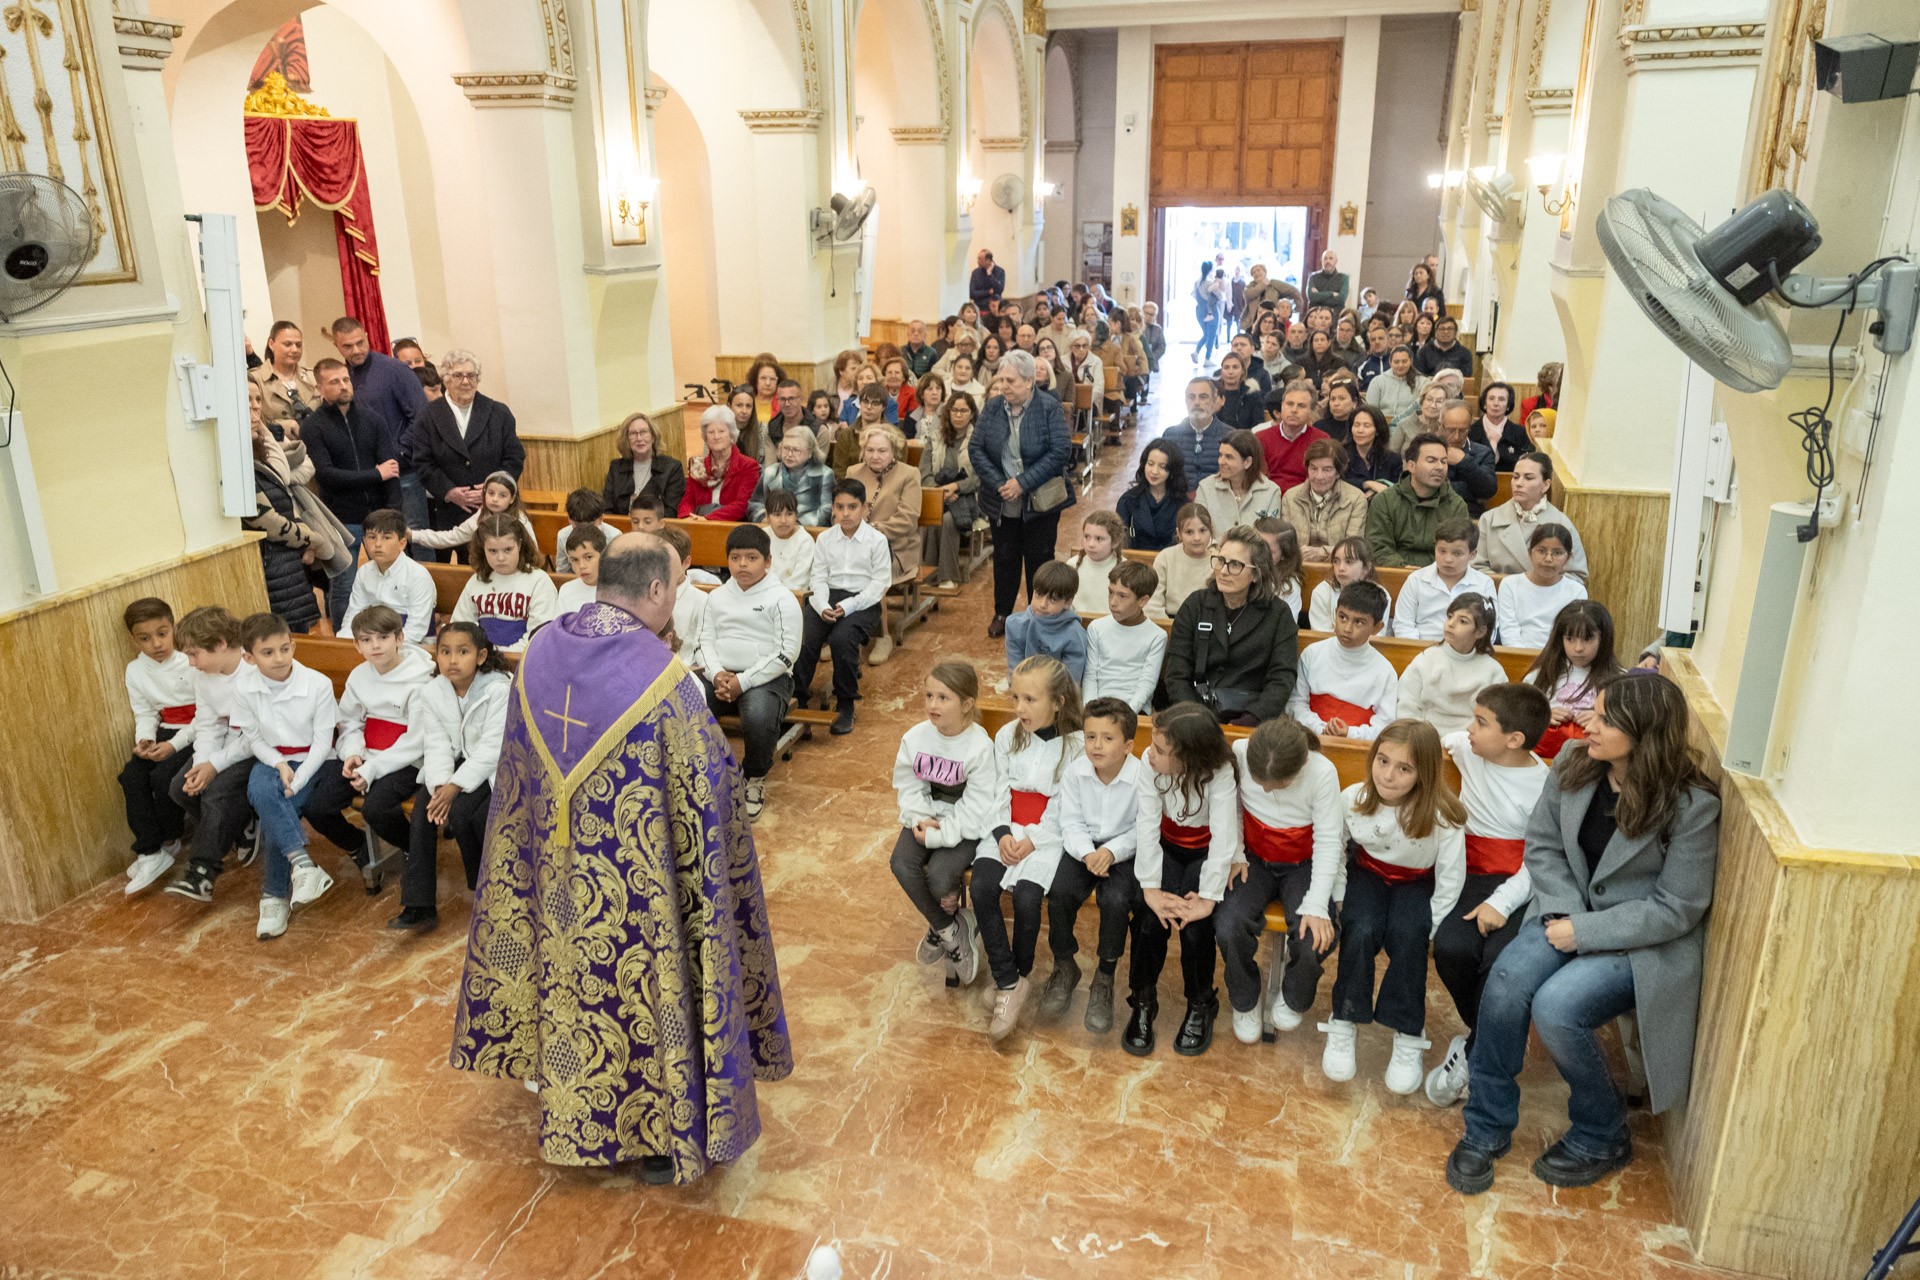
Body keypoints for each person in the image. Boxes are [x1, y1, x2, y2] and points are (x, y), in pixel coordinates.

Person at [448, 530, 792, 1184]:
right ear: (657, 589)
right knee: (640, 985)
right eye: (678, 587)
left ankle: (563, 1088)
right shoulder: (666, 681)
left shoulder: (540, 649)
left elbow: (516, 765)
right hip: (638, 881)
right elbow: (709, 787)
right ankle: (656, 1130)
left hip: (550, 865)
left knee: (569, 976)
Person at [1446, 674, 1720, 1194]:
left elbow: (1677, 908)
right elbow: (1543, 846)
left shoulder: (1692, 805)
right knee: (1505, 982)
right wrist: (1567, 917)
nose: (1587, 724)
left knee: (1557, 1007)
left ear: (1644, 733)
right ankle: (1484, 1129)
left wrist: (1586, 931)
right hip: (1563, 914)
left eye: (1605, 719)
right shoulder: (1574, 762)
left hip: (1639, 941)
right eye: (1594, 711)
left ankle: (1603, 1132)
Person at [1425, 683, 1554, 1106]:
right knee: (1451, 948)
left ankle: (1474, 1054)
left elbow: (1540, 860)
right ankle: (1484, 1037)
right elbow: (1450, 739)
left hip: (1519, 886)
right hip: (1469, 874)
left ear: (1514, 739)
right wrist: (1444, 742)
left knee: (1500, 963)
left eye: (1480, 722)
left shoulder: (1543, 786)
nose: (1469, 729)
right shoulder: (1470, 748)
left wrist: (1501, 903)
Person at [1322, 720, 1466, 1092]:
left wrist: (1432, 924)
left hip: (1415, 882)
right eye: (1383, 761)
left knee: (1409, 933)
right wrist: (1340, 895)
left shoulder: (1443, 814)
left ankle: (1407, 1031)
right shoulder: (1353, 798)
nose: (1388, 775)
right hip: (1367, 874)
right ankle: (1344, 1018)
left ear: (1424, 773)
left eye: (1404, 769)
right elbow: (1334, 850)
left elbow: (1451, 876)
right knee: (1360, 927)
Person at [1217, 717, 1345, 1045]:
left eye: (1278, 784)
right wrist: (1236, 853)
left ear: (1302, 763)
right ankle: (1245, 997)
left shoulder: (1322, 772)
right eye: (1259, 781)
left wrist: (1316, 905)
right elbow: (1233, 808)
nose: (1266, 790)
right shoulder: (1241, 750)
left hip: (1303, 864)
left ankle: (1295, 995)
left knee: (1315, 936)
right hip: (1254, 859)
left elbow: (1329, 842)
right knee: (1229, 924)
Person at [975, 656, 1084, 1040]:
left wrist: (1032, 840)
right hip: (1005, 828)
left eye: (1030, 699)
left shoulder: (1076, 746)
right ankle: (1009, 980)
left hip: (1046, 837)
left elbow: (1065, 804)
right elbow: (997, 788)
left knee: (1026, 898)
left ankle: (1017, 976)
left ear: (1058, 702)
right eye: (1016, 697)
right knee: (981, 887)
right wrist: (1003, 833)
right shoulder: (1008, 735)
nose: (1020, 708)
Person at [1127, 703, 1240, 1057]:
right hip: (1165, 849)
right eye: (1153, 744)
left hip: (1204, 853)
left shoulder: (1220, 771)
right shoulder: (1149, 764)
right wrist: (1150, 889)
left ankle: (1201, 1002)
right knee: (1149, 919)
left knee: (1194, 924)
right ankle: (1143, 1000)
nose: (1150, 753)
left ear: (1190, 758)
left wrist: (1207, 897)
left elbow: (1223, 837)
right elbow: (1147, 826)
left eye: (1161, 750)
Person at [384, 622, 511, 931]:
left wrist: (455, 787)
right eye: (445, 652)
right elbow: (437, 743)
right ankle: (419, 904)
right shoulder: (433, 691)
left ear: (481, 656)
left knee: (465, 813)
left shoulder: (498, 689)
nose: (453, 660)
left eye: (463, 652)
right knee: (424, 812)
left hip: (493, 765)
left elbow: (492, 747)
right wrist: (441, 785)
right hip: (454, 764)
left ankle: (486, 891)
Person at [304, 605, 435, 886]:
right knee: (316, 806)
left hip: (405, 760)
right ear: (357, 645)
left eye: (383, 637)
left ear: (399, 639)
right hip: (364, 754)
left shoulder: (421, 680)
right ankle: (357, 846)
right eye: (366, 639)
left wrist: (372, 768)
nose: (375, 645)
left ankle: (415, 848)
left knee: (376, 809)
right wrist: (352, 753)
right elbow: (350, 722)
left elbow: (417, 740)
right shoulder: (359, 676)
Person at [234, 612, 341, 941]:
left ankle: (274, 896)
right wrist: (280, 764)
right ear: (249, 658)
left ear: (293, 646)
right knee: (261, 788)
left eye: (284, 649)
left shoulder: (318, 684)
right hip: (274, 758)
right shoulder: (244, 687)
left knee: (274, 810)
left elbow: (323, 743)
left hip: (316, 761)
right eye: (268, 653)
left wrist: (299, 777)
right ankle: (303, 866)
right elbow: (254, 740)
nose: (279, 658)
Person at [690, 525, 804, 821]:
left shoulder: (782, 599)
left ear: (768, 561)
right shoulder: (716, 597)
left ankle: (753, 777)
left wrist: (743, 681)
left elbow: (786, 654)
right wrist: (716, 674)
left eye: (752, 558)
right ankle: (696, 774)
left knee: (758, 716)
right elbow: (703, 642)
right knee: (685, 703)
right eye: (735, 558)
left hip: (767, 678)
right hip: (720, 676)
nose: (742, 564)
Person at [1049, 698, 1148, 1034]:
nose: (1096, 745)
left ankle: (1105, 975)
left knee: (1116, 901)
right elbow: (1070, 820)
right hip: (1083, 848)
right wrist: (1086, 853)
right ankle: (1065, 964)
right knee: (1060, 893)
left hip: (1124, 852)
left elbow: (1144, 827)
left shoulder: (1142, 777)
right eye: (1090, 736)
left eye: (1107, 738)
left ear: (1128, 746)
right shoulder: (1075, 773)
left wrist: (1112, 850)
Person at [893, 661, 992, 990]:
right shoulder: (915, 737)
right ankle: (951, 930)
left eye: (943, 698)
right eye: (929, 696)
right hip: (926, 816)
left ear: (967, 704)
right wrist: (919, 818)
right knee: (901, 863)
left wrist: (940, 835)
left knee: (939, 877)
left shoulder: (980, 747)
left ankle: (945, 926)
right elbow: (909, 785)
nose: (932, 705)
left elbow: (977, 808)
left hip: (964, 825)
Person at [970, 350, 1074, 640]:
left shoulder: (1049, 407)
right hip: (1002, 499)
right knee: (1005, 557)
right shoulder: (993, 407)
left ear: (1029, 381)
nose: (1004, 386)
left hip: (1040, 501)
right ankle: (1002, 613)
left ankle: (1038, 615)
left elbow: (1060, 452)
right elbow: (976, 449)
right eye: (1002, 380)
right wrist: (1001, 483)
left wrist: (1022, 483)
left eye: (1011, 381)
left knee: (1039, 559)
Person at [163, 607, 256, 903]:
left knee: (217, 792)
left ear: (221, 643)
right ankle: (241, 824)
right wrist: (202, 761)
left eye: (194, 654)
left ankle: (203, 873)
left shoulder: (254, 669)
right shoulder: (203, 676)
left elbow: (256, 736)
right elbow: (207, 723)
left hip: (260, 747)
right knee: (181, 787)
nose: (191, 663)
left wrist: (214, 766)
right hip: (226, 745)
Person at [1165, 526, 1299, 726]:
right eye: (1220, 561)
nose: (1223, 571)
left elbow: (1281, 679)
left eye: (1235, 564)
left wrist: (1250, 720)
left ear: (1256, 574)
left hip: (1253, 719)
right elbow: (1177, 673)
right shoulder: (1196, 605)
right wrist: (1195, 718)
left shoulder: (1278, 614)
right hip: (1195, 717)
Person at [303, 357, 400, 626]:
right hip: (341, 520)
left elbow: (391, 470)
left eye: (346, 379)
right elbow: (327, 475)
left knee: (391, 582)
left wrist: (394, 514)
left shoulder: (373, 420)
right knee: (344, 586)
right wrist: (375, 474)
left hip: (379, 516)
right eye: (334, 382)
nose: (343, 386)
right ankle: (343, 640)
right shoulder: (312, 426)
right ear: (320, 388)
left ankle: (391, 632)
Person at [795, 479, 891, 735]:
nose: (846, 513)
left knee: (842, 640)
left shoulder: (877, 540)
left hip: (863, 601)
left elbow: (878, 585)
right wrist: (821, 605)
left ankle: (846, 702)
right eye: (840, 507)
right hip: (826, 597)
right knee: (804, 638)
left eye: (852, 507)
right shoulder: (825, 539)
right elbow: (818, 577)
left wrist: (848, 606)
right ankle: (798, 697)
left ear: (864, 508)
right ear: (833, 508)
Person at [328, 317, 431, 542]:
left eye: (360, 342)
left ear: (367, 337)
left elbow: (422, 417)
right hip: (368, 478)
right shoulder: (342, 377)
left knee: (416, 536)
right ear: (336, 345)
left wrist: (399, 453)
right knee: (382, 541)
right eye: (348, 346)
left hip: (404, 472)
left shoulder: (395, 370)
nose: (356, 350)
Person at [118, 598, 195, 895]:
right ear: (133, 639)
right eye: (145, 638)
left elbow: (209, 714)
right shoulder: (135, 670)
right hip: (165, 731)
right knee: (131, 776)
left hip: (196, 733)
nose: (156, 644)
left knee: (163, 777)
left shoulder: (191, 659)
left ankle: (169, 839)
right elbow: (145, 712)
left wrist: (173, 746)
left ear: (173, 627)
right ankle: (149, 852)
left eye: (162, 633)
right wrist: (145, 739)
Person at [244, 383, 326, 634]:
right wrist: (312, 539)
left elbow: (283, 486)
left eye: (258, 400)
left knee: (299, 643)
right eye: (246, 400)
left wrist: (261, 428)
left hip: (287, 568)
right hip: (270, 572)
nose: (255, 407)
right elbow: (267, 522)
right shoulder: (235, 464)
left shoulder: (257, 453)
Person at [417, 350, 524, 536]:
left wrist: (493, 488)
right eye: (458, 375)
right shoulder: (428, 416)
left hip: (493, 511)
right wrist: (449, 491)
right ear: (446, 380)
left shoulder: (499, 413)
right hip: (449, 511)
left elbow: (514, 457)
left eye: (471, 375)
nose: (466, 382)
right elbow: (422, 462)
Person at [845, 427, 923, 666]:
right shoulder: (853, 472)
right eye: (870, 450)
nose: (875, 456)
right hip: (855, 542)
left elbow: (908, 518)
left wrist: (875, 531)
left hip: (896, 546)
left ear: (894, 451)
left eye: (882, 451)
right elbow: (841, 508)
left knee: (871, 572)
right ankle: (840, 634)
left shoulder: (909, 474)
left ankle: (882, 636)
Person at [1289, 581, 1397, 739]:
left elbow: (1384, 725)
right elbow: (1296, 704)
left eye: (1358, 622)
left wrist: (1350, 733)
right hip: (1310, 738)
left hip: (1356, 746)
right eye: (1342, 617)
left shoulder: (1385, 671)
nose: (1347, 628)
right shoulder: (1312, 654)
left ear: (1377, 628)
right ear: (1335, 613)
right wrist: (1319, 728)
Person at [1525, 600, 1624, 759]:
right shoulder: (1541, 675)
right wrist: (1543, 716)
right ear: (1560, 639)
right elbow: (1520, 717)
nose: (1578, 648)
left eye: (1588, 639)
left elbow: (1628, 727)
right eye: (1570, 639)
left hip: (1596, 760)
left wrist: (1603, 719)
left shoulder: (1620, 680)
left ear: (1603, 639)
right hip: (1546, 757)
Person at [1396, 593, 1505, 733]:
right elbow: (1407, 706)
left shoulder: (1493, 671)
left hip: (1471, 739)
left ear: (1480, 632)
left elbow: (1494, 719)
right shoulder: (1426, 659)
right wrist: (1419, 738)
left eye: (1463, 621)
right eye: (1450, 616)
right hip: (1425, 737)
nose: (1451, 624)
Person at [451, 512, 560, 652]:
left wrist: (499, 656)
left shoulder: (539, 581)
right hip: (481, 658)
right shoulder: (476, 581)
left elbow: (538, 637)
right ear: (483, 548)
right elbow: (459, 627)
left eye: (508, 549)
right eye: (492, 551)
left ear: (519, 544)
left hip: (523, 659)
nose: (500, 558)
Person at [1476, 452, 1588, 582]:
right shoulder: (1489, 520)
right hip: (1498, 592)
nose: (1519, 483)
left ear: (1545, 485)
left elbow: (1576, 576)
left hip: (1545, 594)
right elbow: (1477, 568)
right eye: (1515, 477)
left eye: (1528, 478)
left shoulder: (1561, 524)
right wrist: (1507, 586)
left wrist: (1540, 586)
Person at [1366, 433, 1471, 568]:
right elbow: (1378, 546)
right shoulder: (1385, 501)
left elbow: (1458, 550)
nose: (1440, 467)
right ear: (1411, 466)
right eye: (1431, 460)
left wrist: (1432, 573)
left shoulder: (1456, 505)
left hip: (1441, 573)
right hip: (1396, 573)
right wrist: (1403, 568)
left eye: (1444, 461)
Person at [1394, 518, 1498, 640]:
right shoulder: (1416, 580)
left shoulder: (1484, 583)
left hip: (1466, 649)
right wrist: (1419, 650)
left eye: (1457, 553)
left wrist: (1465, 649)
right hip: (1422, 647)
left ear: (1472, 554)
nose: (1448, 559)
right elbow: (1403, 625)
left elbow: (1489, 630)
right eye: (1442, 551)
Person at [1084, 560, 1165, 713]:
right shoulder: (1096, 627)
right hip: (1098, 707)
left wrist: (1128, 713)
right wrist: (1089, 709)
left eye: (1122, 596)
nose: (1113, 602)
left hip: (1135, 710)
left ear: (1142, 601)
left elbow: (1146, 684)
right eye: (1110, 592)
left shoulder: (1157, 636)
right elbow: (1090, 676)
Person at [407, 470, 541, 559]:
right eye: (491, 493)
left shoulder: (520, 520)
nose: (495, 499)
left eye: (502, 495)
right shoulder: (480, 519)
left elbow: (532, 552)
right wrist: (413, 535)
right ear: (484, 493)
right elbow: (449, 537)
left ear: (512, 499)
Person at [1496, 524, 1587, 648]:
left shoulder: (1576, 591)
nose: (1548, 559)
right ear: (1530, 553)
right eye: (1542, 551)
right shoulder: (1510, 585)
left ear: (1568, 558)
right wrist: (1522, 656)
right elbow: (1509, 631)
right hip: (1518, 654)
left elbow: (1571, 635)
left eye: (1557, 553)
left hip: (1557, 656)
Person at [1281, 439, 1367, 562]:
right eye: (1313, 469)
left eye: (1327, 470)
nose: (1319, 476)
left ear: (1338, 473)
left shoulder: (1356, 499)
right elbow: (1284, 545)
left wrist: (1325, 552)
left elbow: (1354, 547)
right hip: (1298, 565)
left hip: (1339, 566)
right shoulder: (1290, 497)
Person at [1003, 560, 1088, 683]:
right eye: (1038, 594)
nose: (1043, 604)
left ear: (1068, 602)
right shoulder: (1014, 625)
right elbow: (1015, 672)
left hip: (1058, 692)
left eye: (1053, 600)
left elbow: (1071, 682)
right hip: (1023, 689)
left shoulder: (1075, 634)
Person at [683, 404, 763, 520]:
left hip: (732, 525)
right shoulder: (698, 466)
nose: (716, 436)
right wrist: (687, 518)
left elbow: (742, 506)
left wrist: (708, 519)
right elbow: (687, 501)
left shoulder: (748, 466)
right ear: (706, 438)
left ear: (732, 436)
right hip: (697, 523)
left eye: (721, 431)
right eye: (711, 432)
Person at [601, 411, 687, 518]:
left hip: (658, 527)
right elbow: (607, 509)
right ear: (626, 440)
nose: (639, 438)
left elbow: (671, 512)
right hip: (620, 527)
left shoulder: (672, 468)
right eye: (633, 434)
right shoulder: (616, 468)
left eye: (644, 432)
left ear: (653, 437)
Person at [1196, 429, 1283, 531]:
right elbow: (1199, 531)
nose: (1221, 462)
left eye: (1229, 457)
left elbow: (1271, 535)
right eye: (1220, 455)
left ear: (1247, 462)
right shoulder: (1206, 487)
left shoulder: (1271, 492)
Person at [750, 422, 834, 527]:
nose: (789, 454)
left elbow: (827, 510)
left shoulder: (824, 474)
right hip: (772, 528)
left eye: (796, 450)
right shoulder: (770, 472)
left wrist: (794, 524)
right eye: (786, 448)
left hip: (808, 531)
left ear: (809, 453)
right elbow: (755, 504)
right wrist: (764, 519)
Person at [1254, 381, 1329, 495]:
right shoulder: (1261, 437)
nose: (1294, 410)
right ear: (1282, 406)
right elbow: (1259, 479)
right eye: (1289, 404)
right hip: (1269, 497)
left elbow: (1321, 480)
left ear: (1310, 411)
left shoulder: (1321, 440)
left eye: (1301, 406)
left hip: (1306, 497)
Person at [1147, 503, 1216, 621]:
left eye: (1202, 530)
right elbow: (1153, 603)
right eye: (1189, 532)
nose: (1197, 538)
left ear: (1211, 530)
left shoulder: (1217, 561)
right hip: (1170, 622)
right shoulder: (1166, 557)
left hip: (1205, 623)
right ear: (1179, 533)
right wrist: (1169, 626)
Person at [250, 320, 319, 434]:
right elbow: (252, 421)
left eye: (298, 345)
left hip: (314, 442)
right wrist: (287, 426)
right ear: (271, 344)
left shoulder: (313, 377)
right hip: (277, 443)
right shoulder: (256, 379)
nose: (294, 350)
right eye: (288, 344)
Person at [1117, 441, 1186, 554]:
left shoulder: (1182, 503)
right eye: (1150, 464)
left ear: (1172, 470)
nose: (1154, 471)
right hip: (1134, 559)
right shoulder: (1128, 500)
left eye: (1162, 467)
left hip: (1170, 560)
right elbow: (1119, 540)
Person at [1309, 536, 1379, 632]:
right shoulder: (1322, 592)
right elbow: (1320, 634)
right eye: (1336, 561)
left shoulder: (1379, 596)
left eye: (1349, 562)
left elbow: (1376, 635)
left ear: (1366, 568)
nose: (1341, 568)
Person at [759, 488, 816, 593]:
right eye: (777, 514)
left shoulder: (805, 541)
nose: (783, 520)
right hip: (761, 593)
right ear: (767, 516)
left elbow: (799, 583)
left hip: (791, 597)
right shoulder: (761, 536)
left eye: (789, 514)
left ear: (796, 515)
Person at [552, 489, 621, 576]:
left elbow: (618, 573)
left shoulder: (614, 537)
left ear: (601, 518)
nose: (584, 530)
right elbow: (563, 572)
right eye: (578, 525)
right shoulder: (563, 536)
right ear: (569, 518)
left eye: (591, 525)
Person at [1070, 511, 1125, 615]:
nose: (1091, 544)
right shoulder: (1072, 564)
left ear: (1115, 542)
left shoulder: (1125, 569)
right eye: (1087, 537)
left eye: (1099, 539)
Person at [1468, 382, 1529, 472]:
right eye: (1491, 398)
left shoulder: (1520, 433)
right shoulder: (1470, 431)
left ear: (1508, 406)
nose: (1496, 403)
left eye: (1501, 399)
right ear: (1484, 404)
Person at [1344, 405, 1403, 497]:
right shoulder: (1341, 454)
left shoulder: (1393, 459)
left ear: (1377, 431)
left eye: (1366, 426)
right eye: (1356, 425)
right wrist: (1367, 484)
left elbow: (1397, 490)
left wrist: (1373, 493)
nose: (1360, 430)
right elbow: (1336, 483)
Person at [556, 524, 606, 614]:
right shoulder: (566, 591)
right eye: (575, 560)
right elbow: (560, 622)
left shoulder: (623, 589)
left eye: (588, 557)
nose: (581, 566)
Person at [1314, 379, 1363, 445]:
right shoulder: (1319, 427)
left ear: (1354, 402)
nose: (1336, 404)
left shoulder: (1360, 428)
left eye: (1342, 398)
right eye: (1332, 399)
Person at [1195, 268, 1227, 363]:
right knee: (1212, 334)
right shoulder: (1211, 282)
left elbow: (1194, 295)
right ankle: (1207, 358)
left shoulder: (1198, 282)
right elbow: (1221, 296)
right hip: (1212, 310)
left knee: (1206, 334)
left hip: (1200, 310)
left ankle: (1197, 351)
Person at [1141, 302, 1166, 377]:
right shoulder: (1136, 327)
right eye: (1146, 313)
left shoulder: (1157, 329)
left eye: (1151, 315)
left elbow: (1162, 347)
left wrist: (1151, 358)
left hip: (1152, 363)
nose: (1148, 317)